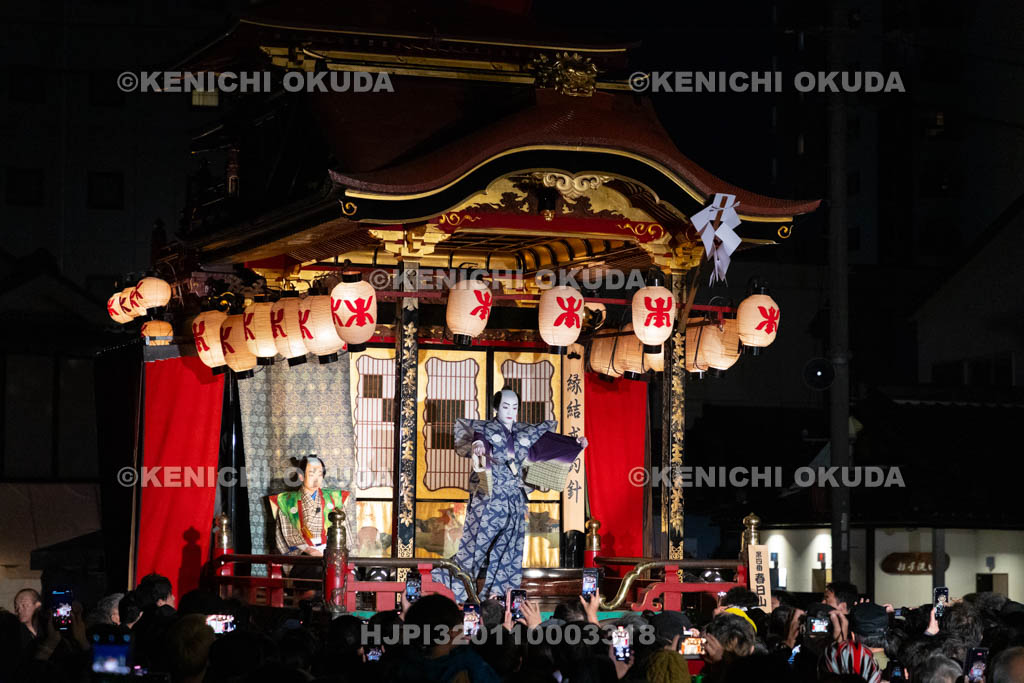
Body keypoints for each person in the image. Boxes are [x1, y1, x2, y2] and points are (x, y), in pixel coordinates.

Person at [432, 388, 587, 602]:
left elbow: (547, 447)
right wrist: (478, 447)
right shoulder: (485, 429)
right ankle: (450, 589)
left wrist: (574, 444)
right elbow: (479, 441)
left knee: (510, 548)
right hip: (489, 498)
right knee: (475, 547)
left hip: (515, 498)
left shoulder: (525, 433)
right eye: (505, 406)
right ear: (496, 408)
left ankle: (498, 595)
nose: (510, 411)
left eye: (514, 407)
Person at [273, 454, 349, 560]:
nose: (316, 479)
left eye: (320, 474)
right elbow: (288, 534)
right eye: (312, 474)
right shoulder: (287, 501)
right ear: (301, 476)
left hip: (331, 550)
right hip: (301, 553)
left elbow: (344, 531)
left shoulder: (335, 498)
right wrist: (309, 550)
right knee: (315, 568)